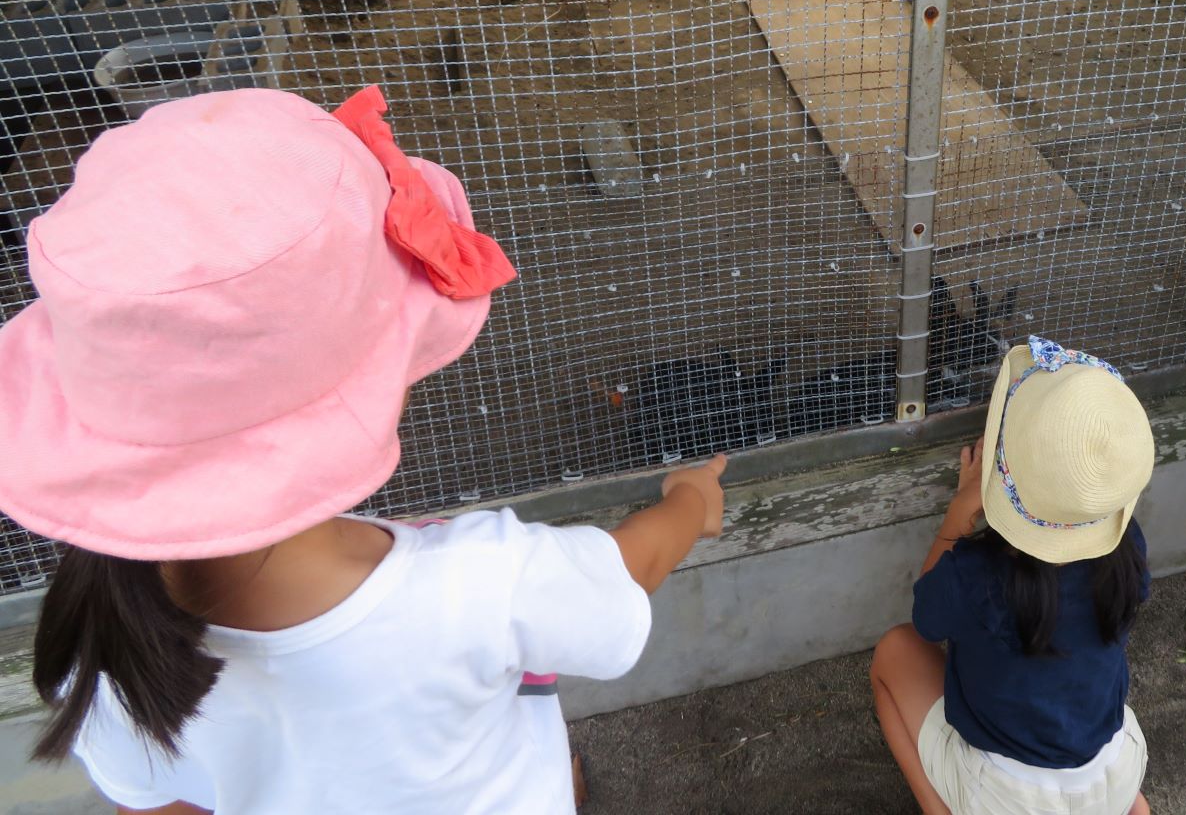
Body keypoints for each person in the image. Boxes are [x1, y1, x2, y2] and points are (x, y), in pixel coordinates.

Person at [0, 85, 727, 814]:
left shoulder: (97, 642)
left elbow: (156, 805)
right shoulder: (479, 579)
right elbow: (629, 569)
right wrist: (691, 502)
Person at [871, 336, 1156, 815]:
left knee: (893, 652)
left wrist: (961, 509)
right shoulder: (1126, 547)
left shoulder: (978, 575)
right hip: (1113, 767)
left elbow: (926, 618)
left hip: (1006, 796)